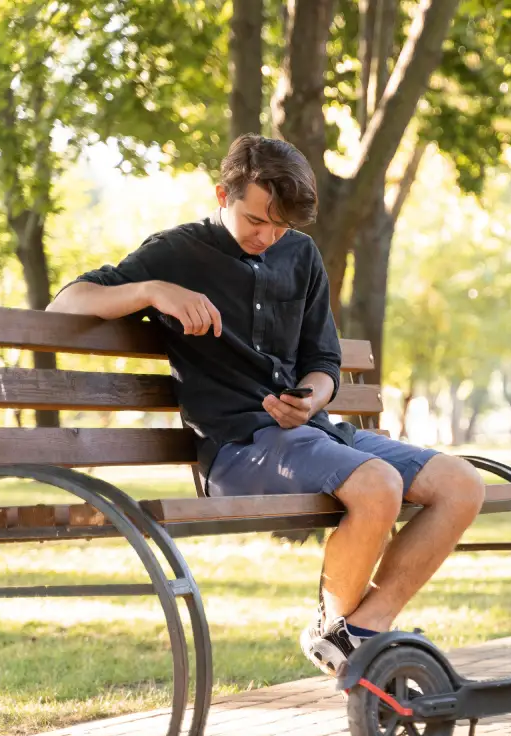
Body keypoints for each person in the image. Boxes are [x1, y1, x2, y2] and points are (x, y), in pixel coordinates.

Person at [47, 134, 486, 678]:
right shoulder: (177, 253)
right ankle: (351, 642)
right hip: (239, 450)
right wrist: (152, 292)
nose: (268, 235)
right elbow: (64, 303)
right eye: (257, 220)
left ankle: (361, 631)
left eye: (281, 226)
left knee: (462, 484)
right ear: (222, 194)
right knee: (378, 486)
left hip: (318, 435)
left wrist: (312, 399)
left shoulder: (300, 254)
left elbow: (323, 361)